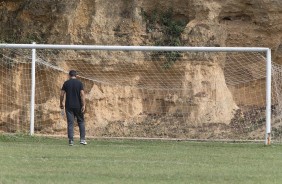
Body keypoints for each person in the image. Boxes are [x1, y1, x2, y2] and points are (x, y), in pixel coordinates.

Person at [60, 70, 87, 146]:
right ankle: (82, 139)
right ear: (76, 75)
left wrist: (61, 103)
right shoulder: (79, 83)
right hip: (78, 106)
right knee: (81, 122)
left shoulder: (66, 83)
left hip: (69, 106)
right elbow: (82, 94)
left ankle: (71, 140)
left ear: (69, 75)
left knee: (70, 123)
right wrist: (83, 105)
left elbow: (62, 94)